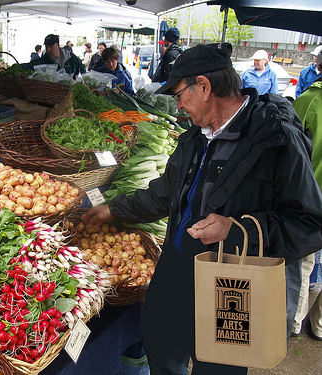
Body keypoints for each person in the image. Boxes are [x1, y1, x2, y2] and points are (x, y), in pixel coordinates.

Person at [83, 43, 322, 374]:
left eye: (180, 93)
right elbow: (164, 195)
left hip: (230, 287)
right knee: (160, 345)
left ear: (205, 87)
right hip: (176, 273)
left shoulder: (274, 138)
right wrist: (113, 209)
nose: (178, 104)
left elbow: (309, 223)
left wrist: (237, 230)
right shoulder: (194, 138)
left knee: (219, 368)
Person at [291, 60, 322, 340]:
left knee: (303, 262)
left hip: (313, 196)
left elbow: (288, 140)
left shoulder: (311, 100)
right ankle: (321, 324)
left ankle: (295, 321)